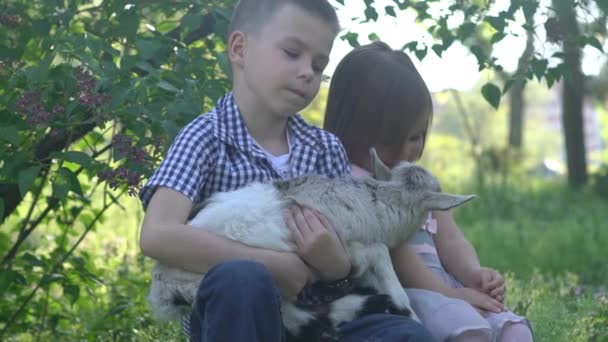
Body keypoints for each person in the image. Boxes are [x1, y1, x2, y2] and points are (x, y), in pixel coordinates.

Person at [139, 1, 434, 340]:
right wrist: (269, 264)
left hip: (322, 317)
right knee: (242, 279)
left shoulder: (325, 149)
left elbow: (344, 275)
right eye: (292, 53)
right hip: (242, 320)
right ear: (240, 49)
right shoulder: (205, 139)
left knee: (402, 334)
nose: (308, 71)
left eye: (319, 64)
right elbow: (158, 234)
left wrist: (334, 263)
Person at [324, 41, 534, 342]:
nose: (409, 149)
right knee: (467, 331)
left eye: (417, 135)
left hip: (446, 288)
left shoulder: (418, 182)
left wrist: (473, 274)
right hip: (404, 294)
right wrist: (451, 295)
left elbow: (450, 239)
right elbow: (397, 255)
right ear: (352, 128)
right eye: (393, 138)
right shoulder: (352, 185)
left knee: (515, 331)